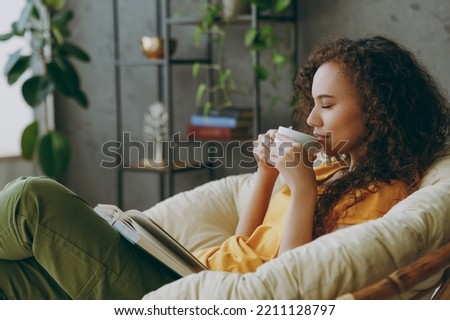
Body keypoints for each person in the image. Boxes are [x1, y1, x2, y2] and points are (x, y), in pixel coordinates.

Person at [0, 35, 448, 299]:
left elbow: (293, 285)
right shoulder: (333, 170)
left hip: (183, 296)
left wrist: (303, 189)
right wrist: (266, 176)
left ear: (378, 110)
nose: (311, 120)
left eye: (327, 105)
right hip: (193, 272)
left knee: (32, 199)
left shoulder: (382, 197)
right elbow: (244, 240)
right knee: (14, 277)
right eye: (312, 103)